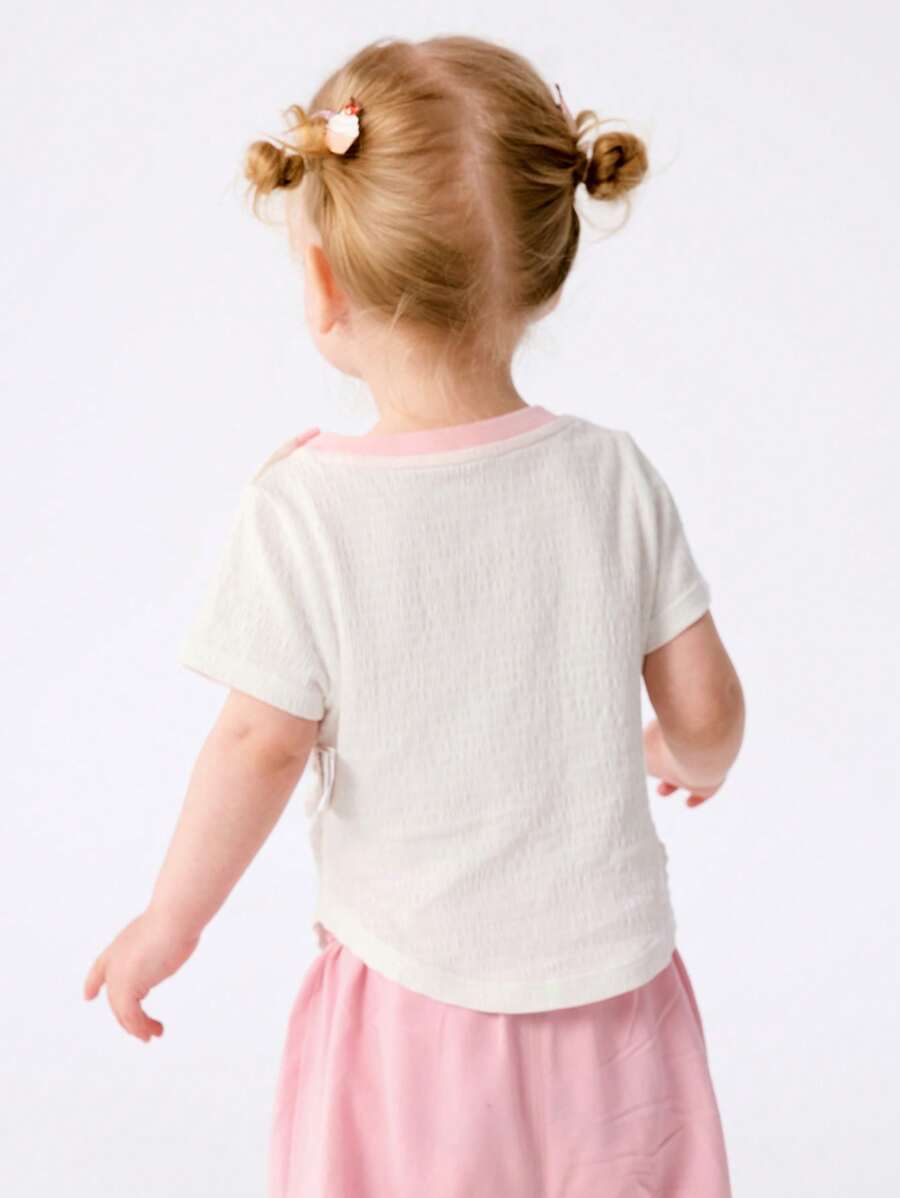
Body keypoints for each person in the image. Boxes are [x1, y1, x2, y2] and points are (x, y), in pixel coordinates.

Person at [83, 34, 745, 1198]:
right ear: (547, 265)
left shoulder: (304, 508)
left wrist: (169, 923)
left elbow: (259, 743)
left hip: (416, 1010)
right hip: (620, 1007)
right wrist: (685, 756)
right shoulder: (613, 474)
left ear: (324, 281)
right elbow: (707, 711)